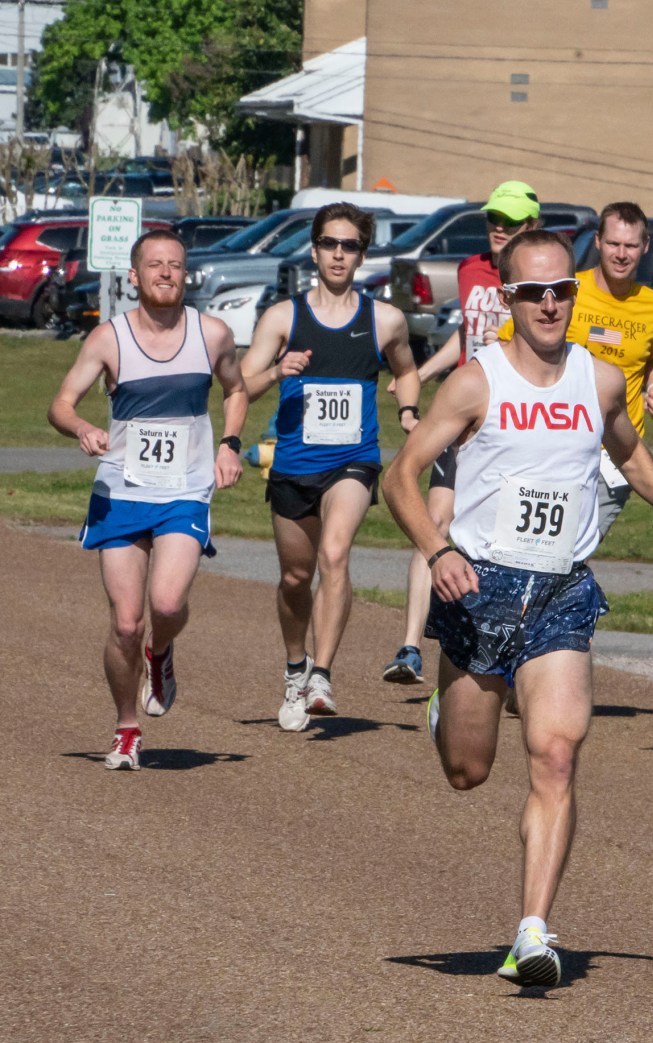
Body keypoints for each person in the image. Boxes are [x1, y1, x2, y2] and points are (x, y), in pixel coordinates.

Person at [384, 230, 653, 986]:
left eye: (561, 290)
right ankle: (448, 707)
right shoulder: (476, 381)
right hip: (480, 587)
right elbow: (398, 477)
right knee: (468, 771)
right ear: (507, 299)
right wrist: (438, 551)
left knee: (557, 754)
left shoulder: (598, 380)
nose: (550, 304)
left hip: (562, 589)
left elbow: (628, 452)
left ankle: (532, 930)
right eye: (534, 292)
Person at [47, 231, 247, 769]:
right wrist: (83, 428)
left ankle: (161, 655)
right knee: (126, 622)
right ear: (134, 276)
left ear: (187, 275)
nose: (166, 273)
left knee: (164, 606)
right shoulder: (108, 339)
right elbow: (61, 404)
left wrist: (229, 444)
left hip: (184, 489)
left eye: (175, 265)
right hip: (121, 491)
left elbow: (236, 389)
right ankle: (126, 728)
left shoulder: (212, 334)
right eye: (154, 265)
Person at [242, 202, 421, 730]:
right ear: (314, 249)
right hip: (294, 464)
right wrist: (278, 370)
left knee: (335, 555)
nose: (338, 254)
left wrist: (407, 409)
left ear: (362, 254)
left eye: (349, 246)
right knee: (296, 577)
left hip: (354, 460)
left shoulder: (384, 319)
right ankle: (295, 665)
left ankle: (322, 673)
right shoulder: (283, 317)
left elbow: (408, 372)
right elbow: (241, 386)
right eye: (329, 243)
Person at [382, 182, 541, 686]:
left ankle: (512, 652)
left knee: (510, 537)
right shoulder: (471, 270)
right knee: (432, 521)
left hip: (511, 424)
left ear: (531, 228)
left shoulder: (543, 281)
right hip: (462, 416)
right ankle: (410, 645)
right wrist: (424, 374)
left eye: (511, 222)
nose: (499, 228)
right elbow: (466, 333)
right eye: (494, 218)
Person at [498, 201, 653, 538]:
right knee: (538, 548)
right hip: (554, 444)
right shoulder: (566, 290)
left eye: (630, 245)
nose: (621, 254)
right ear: (597, 241)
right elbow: (510, 346)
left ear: (645, 247)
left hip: (615, 455)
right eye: (613, 244)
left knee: (576, 548)